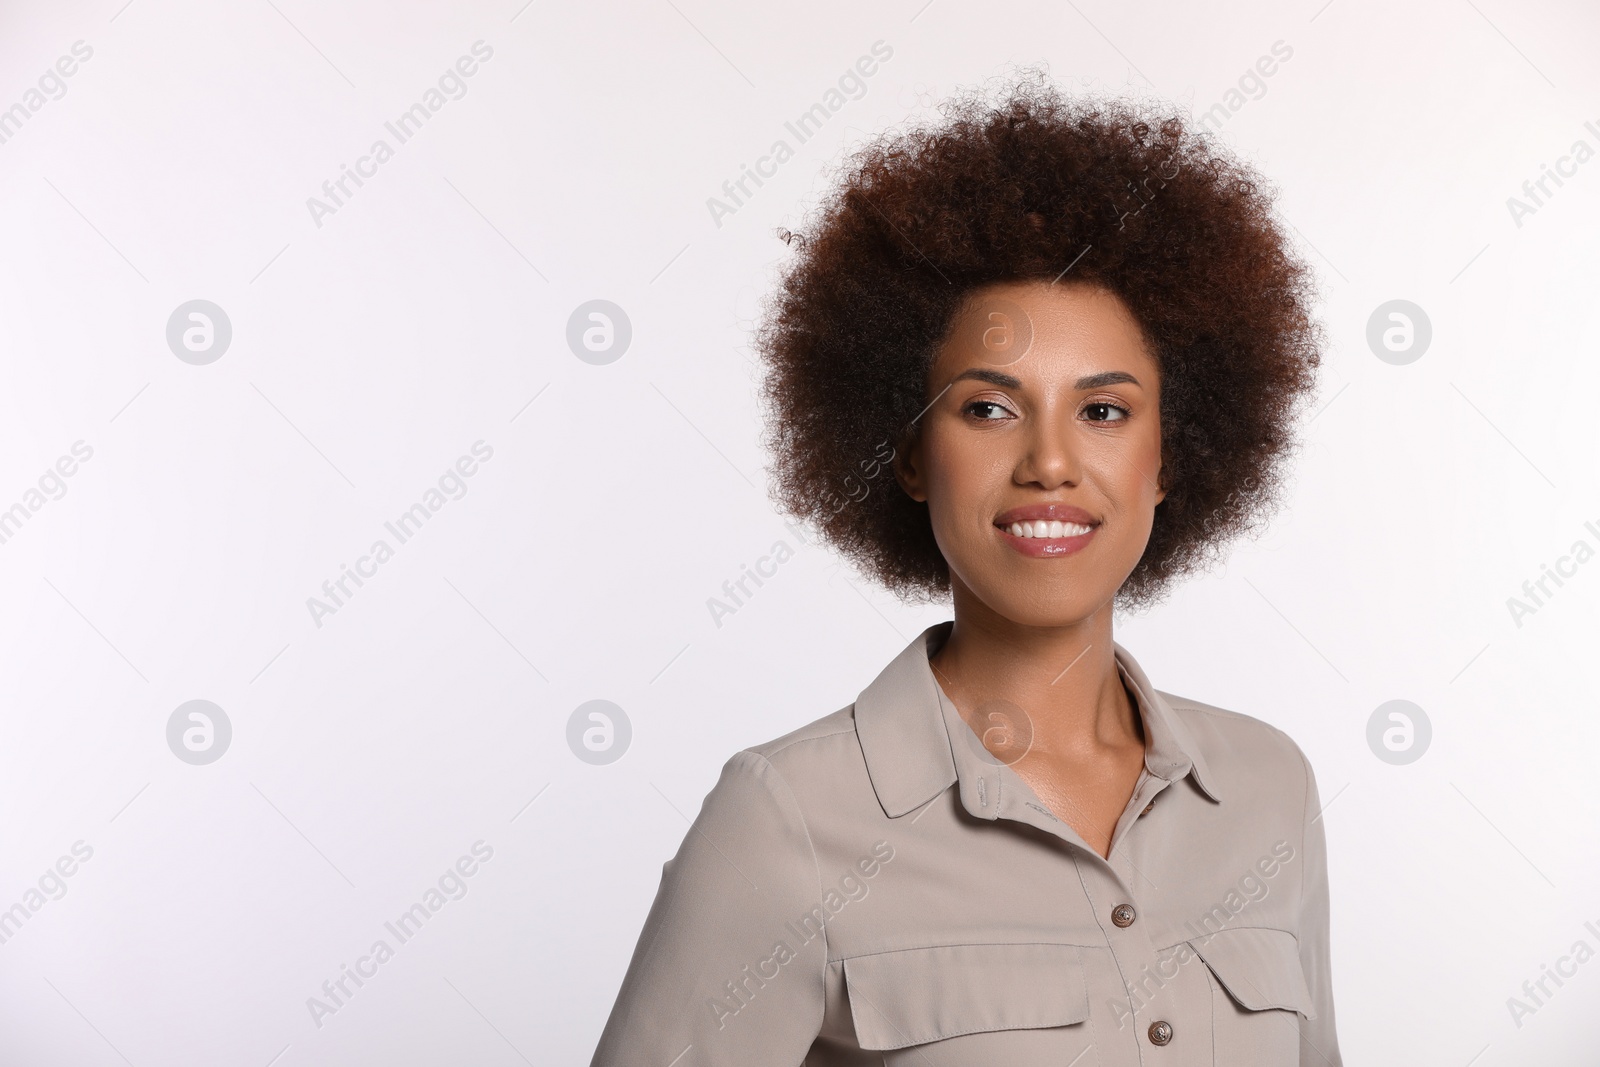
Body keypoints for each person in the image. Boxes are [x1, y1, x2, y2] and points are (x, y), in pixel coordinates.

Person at [590, 67, 1340, 1066]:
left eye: (1104, 409)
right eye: (987, 407)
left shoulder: (1264, 788)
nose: (1050, 462)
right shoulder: (788, 819)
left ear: (1173, 459)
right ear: (904, 452)